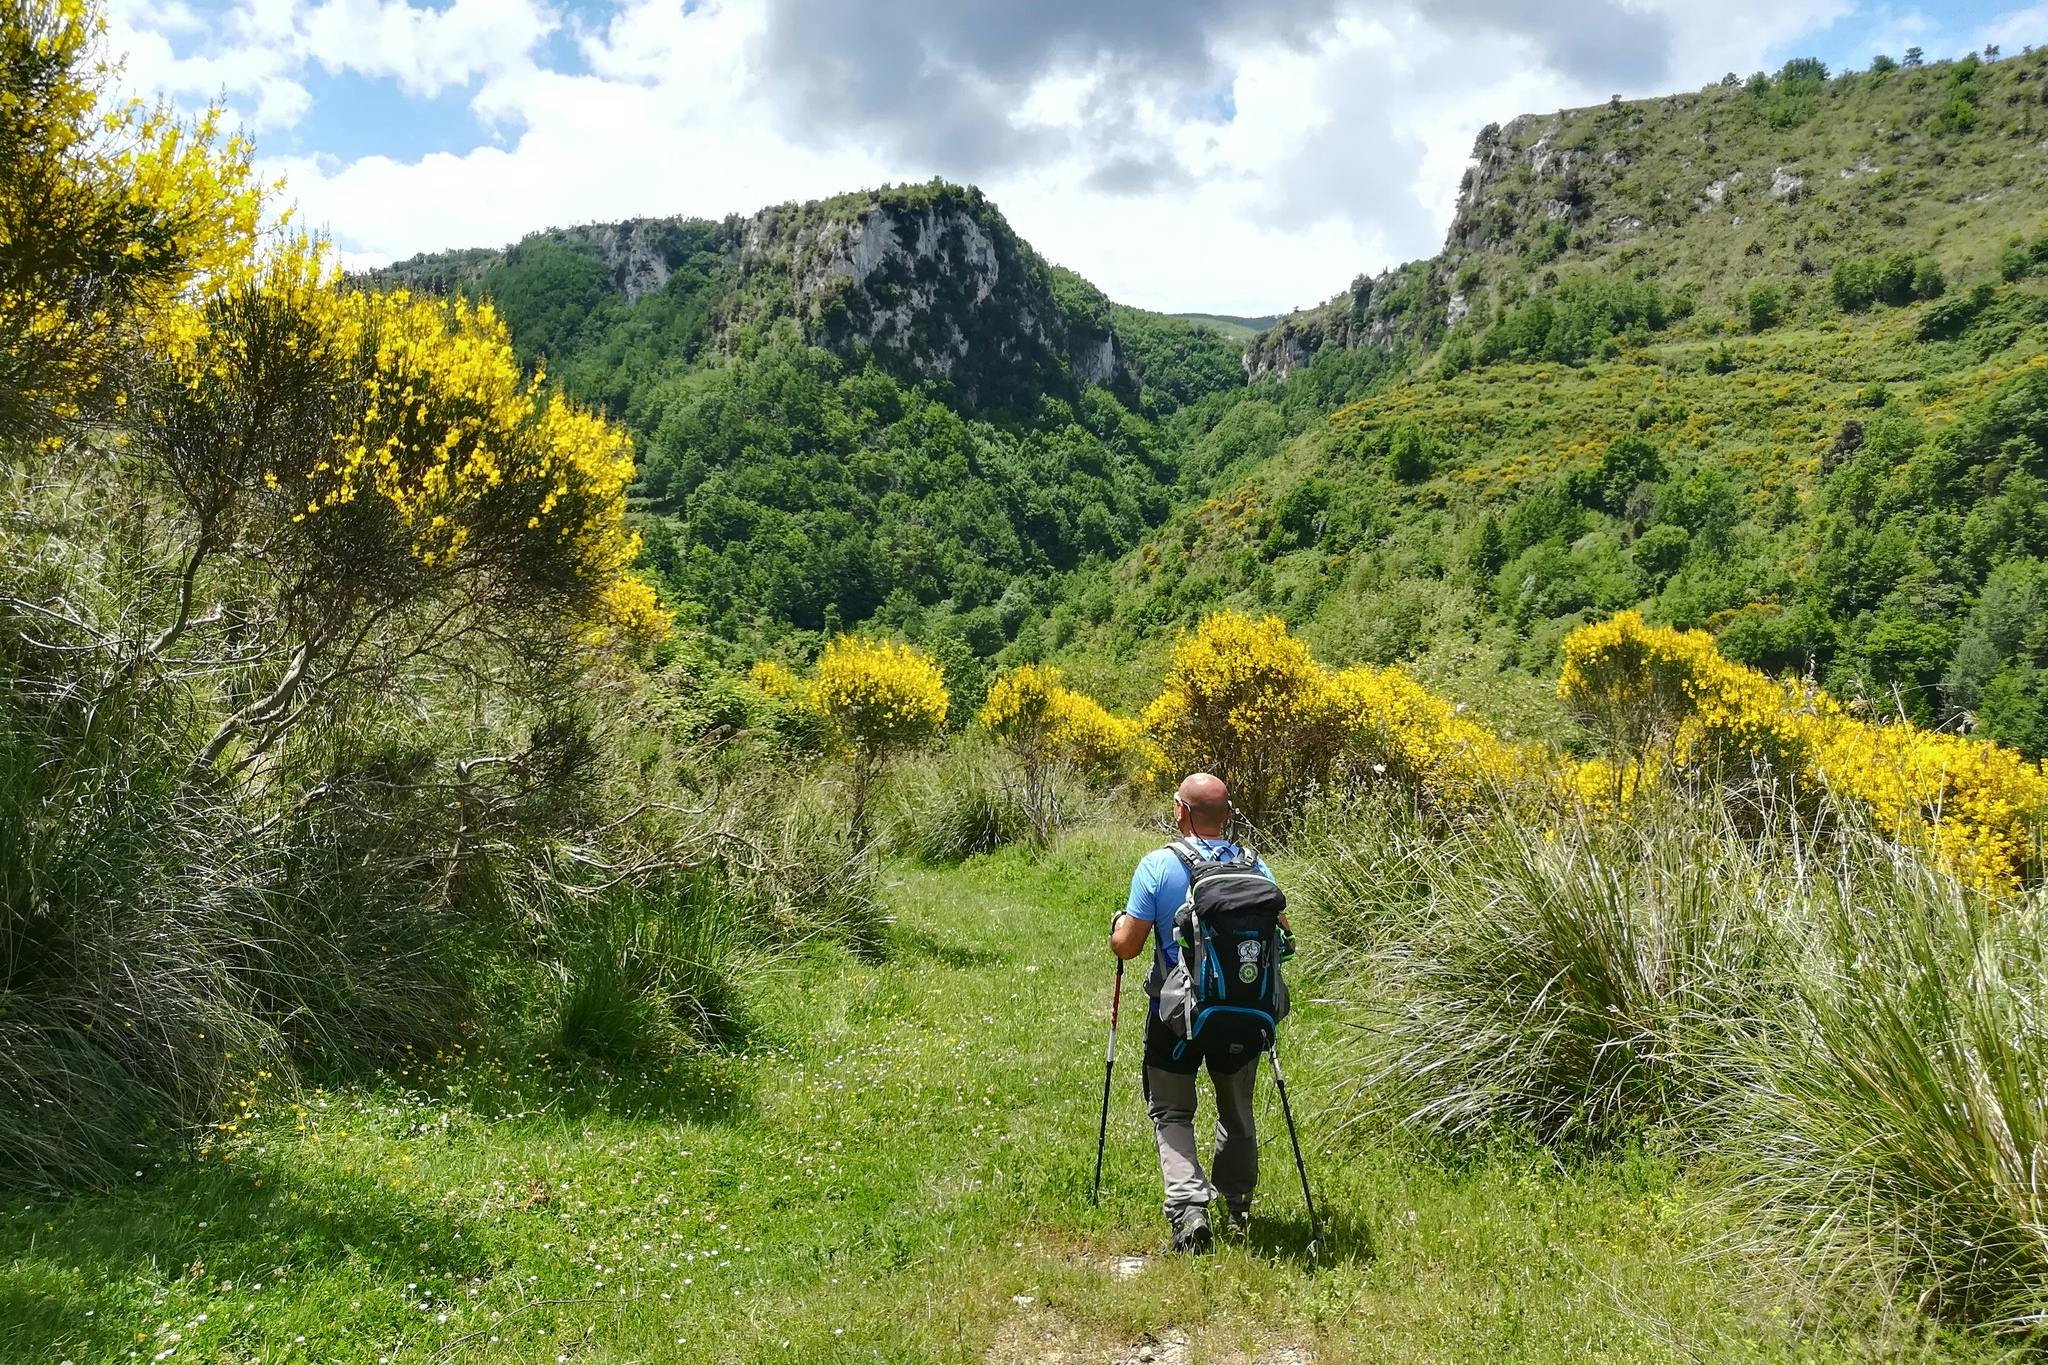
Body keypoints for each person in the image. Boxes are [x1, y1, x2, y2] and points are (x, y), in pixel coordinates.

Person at [1108, 771, 1288, 1253]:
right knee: (1236, 1108)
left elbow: (1128, 947)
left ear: (1180, 811)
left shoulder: (1159, 865)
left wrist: (1117, 927)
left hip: (1175, 1014)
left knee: (1171, 1109)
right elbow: (1283, 936)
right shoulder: (1256, 866)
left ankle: (1189, 1212)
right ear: (1226, 815)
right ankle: (1238, 1207)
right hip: (1243, 1011)